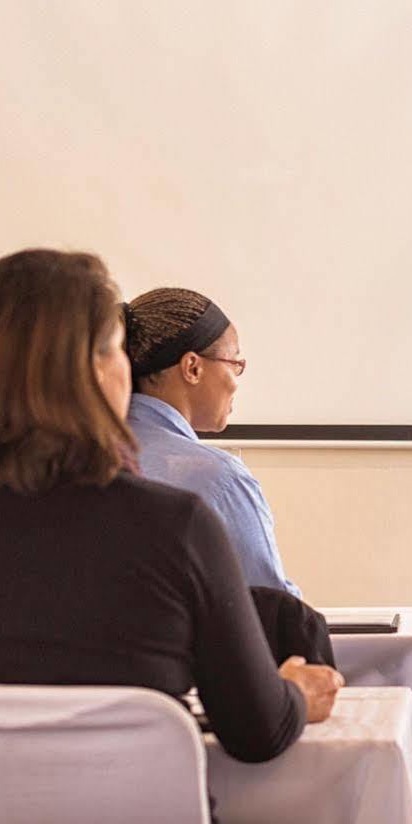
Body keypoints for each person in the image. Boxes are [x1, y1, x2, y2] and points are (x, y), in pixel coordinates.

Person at [0, 249, 341, 774]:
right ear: (96, 374)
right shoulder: (175, 524)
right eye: (119, 350)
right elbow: (257, 729)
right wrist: (297, 695)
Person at [122, 286, 333, 667]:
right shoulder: (215, 477)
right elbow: (273, 615)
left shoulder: (78, 459)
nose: (237, 381)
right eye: (235, 363)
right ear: (192, 367)